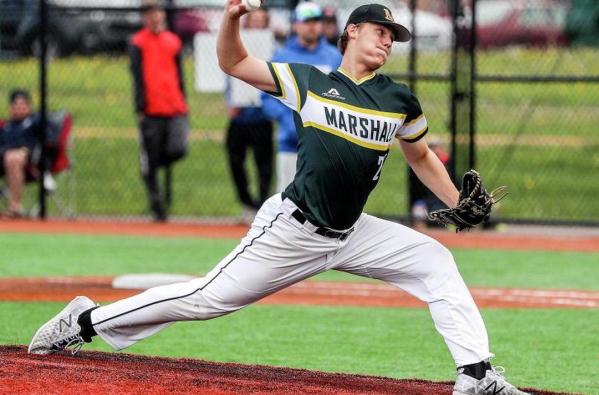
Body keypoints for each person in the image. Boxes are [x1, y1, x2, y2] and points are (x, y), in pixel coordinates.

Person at [28, 3, 529, 394]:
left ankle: (476, 373)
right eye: (381, 31)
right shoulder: (309, 82)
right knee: (207, 299)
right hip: (293, 229)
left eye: (393, 38)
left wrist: (457, 199)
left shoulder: (398, 99)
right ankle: (85, 320)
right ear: (351, 32)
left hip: (354, 231)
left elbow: (419, 157)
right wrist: (231, 19)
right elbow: (233, 62)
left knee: (434, 260)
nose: (388, 42)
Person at [261, 1, 341, 193]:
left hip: (326, 145)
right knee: (287, 197)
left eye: (316, 21)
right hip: (291, 143)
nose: (312, 25)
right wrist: (288, 120)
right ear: (296, 25)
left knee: (324, 198)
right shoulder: (282, 57)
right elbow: (267, 98)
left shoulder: (334, 57)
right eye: (306, 21)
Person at [130, 0, 190, 222]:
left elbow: (179, 75)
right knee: (151, 158)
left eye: (156, 11)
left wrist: (184, 101)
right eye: (149, 13)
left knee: (178, 148)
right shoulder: (138, 42)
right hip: (151, 110)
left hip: (174, 107)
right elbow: (137, 77)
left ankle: (151, 165)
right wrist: (140, 107)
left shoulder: (173, 41)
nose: (154, 17)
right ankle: (158, 207)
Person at [225, 9, 274, 220]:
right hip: (240, 116)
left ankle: (261, 205)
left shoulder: (273, 47)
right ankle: (247, 202)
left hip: (261, 117)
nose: (256, 24)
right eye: (253, 20)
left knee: (263, 163)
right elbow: (228, 74)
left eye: (260, 21)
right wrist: (230, 101)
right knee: (236, 160)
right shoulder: (238, 44)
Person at [0, 90, 39, 218]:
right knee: (9, 156)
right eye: (15, 105)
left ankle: (14, 206)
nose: (19, 108)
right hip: (3, 157)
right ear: (10, 108)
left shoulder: (34, 123)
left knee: (13, 157)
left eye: (22, 105)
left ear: (29, 107)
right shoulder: (6, 126)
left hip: (28, 161)